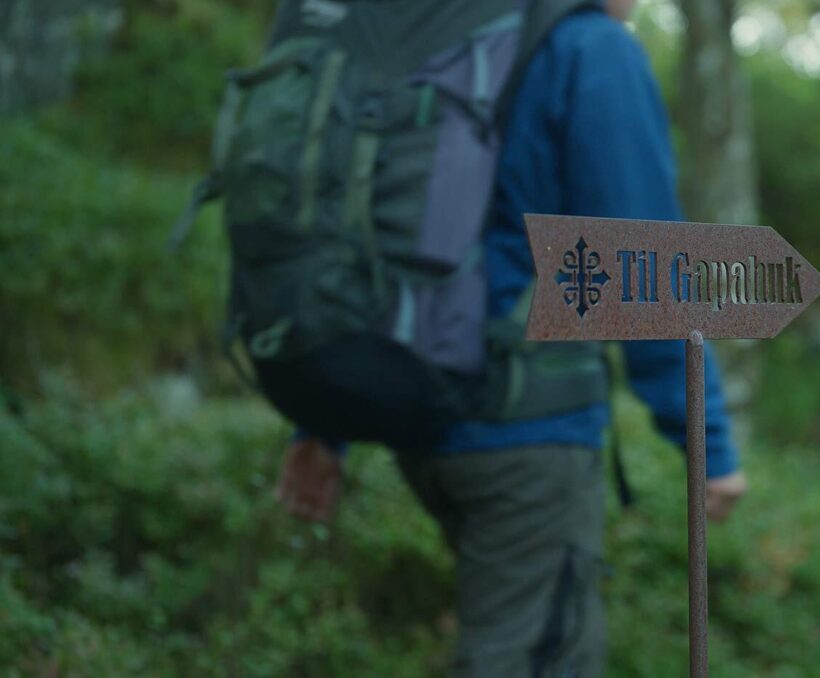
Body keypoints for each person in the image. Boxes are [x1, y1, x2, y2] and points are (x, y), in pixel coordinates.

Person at [272, 0, 749, 675]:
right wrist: (708, 442)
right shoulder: (591, 50)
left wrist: (320, 424)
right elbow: (641, 261)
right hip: (527, 434)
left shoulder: (440, 34)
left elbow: (360, 228)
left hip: (413, 408)